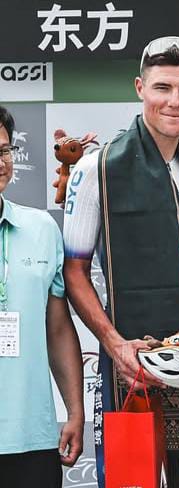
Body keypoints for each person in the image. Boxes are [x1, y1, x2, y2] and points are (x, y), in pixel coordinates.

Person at [62, 37, 179, 488]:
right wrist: (114, 344)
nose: (174, 101)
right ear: (140, 88)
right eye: (162, 87)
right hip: (130, 363)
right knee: (129, 482)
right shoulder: (96, 169)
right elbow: (74, 271)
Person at [0, 105, 84, 486]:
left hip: (33, 440)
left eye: (4, 150)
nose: (0, 162)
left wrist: (75, 411)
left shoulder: (42, 229)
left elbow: (58, 329)